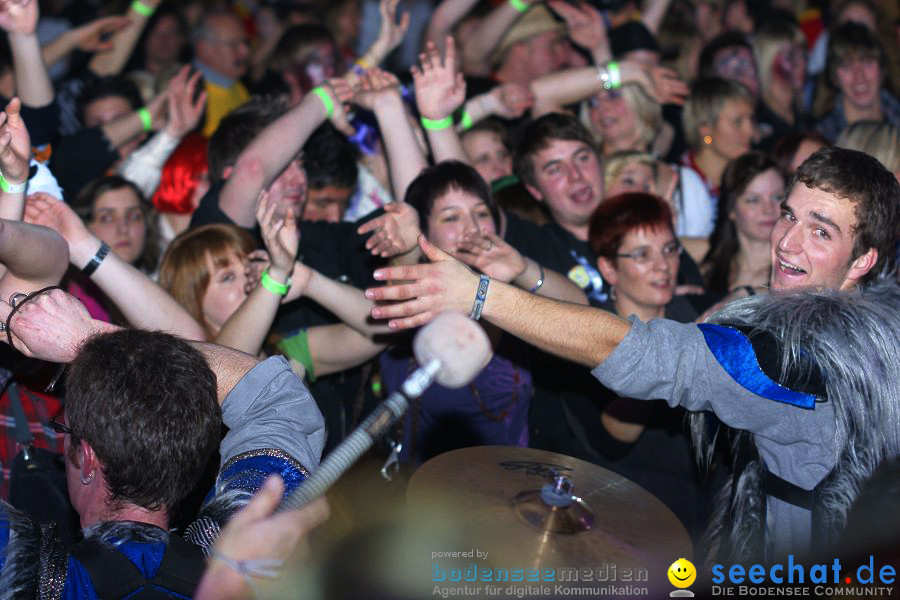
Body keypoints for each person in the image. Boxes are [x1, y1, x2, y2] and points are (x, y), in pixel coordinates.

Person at [365, 145, 900, 561]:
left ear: (863, 261)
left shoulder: (793, 362)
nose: (787, 242)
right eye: (789, 216)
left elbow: (644, 356)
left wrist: (479, 295)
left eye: (820, 231)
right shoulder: (879, 332)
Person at [0, 288, 326, 597]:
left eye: (65, 430)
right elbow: (275, 399)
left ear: (87, 458)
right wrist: (87, 336)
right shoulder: (247, 556)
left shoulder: (27, 577)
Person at [702, 152, 784, 295]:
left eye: (777, 197)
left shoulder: (796, 274)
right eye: (753, 200)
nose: (768, 209)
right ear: (731, 209)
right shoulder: (705, 272)